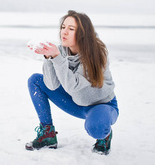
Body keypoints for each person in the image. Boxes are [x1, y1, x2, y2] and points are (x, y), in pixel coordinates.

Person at [25, 10, 119, 155]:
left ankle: (105, 136)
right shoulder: (61, 50)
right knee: (35, 81)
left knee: (96, 127)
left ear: (82, 33)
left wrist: (56, 57)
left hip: (100, 105)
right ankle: (48, 134)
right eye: (63, 27)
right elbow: (51, 85)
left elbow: (75, 87)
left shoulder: (97, 53)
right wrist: (49, 58)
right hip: (76, 102)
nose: (64, 32)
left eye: (71, 29)